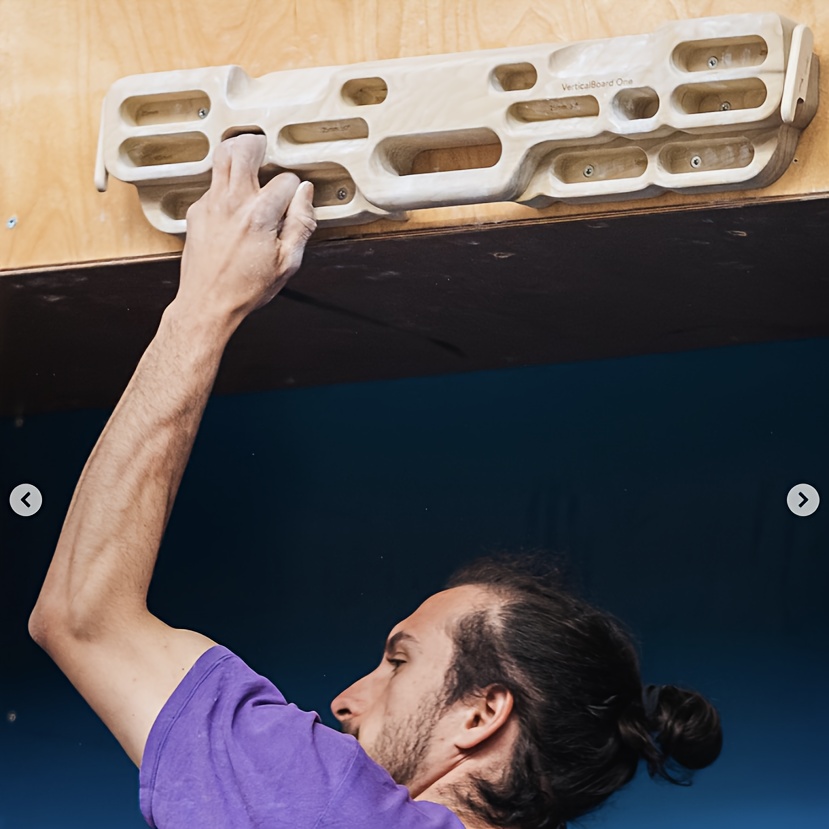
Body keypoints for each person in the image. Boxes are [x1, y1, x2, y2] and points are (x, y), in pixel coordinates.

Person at [29, 134, 722, 829]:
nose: (345, 699)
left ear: (480, 712)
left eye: (398, 660)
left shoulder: (328, 808)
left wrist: (207, 302)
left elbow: (83, 617)